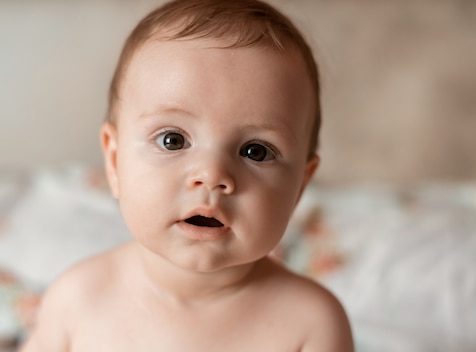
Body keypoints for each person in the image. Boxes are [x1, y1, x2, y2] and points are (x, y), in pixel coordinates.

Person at [20, 0, 353, 350]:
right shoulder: (79, 298)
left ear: (300, 185)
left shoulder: (310, 324)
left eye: (256, 151)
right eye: (173, 140)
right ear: (114, 161)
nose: (212, 175)